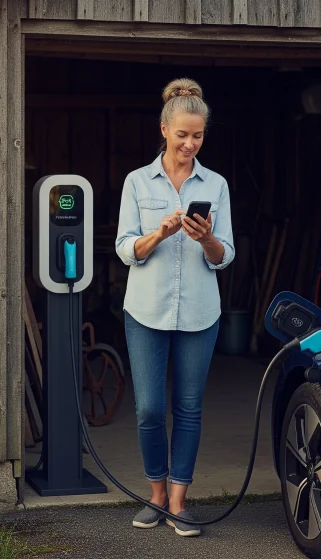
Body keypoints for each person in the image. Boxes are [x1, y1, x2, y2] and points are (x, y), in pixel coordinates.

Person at [114, 78, 235, 537]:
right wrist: (160, 234)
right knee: (148, 408)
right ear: (164, 129)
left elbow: (227, 256)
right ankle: (156, 495)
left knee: (188, 407)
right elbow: (127, 248)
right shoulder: (136, 182)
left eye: (198, 135)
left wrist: (207, 239)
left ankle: (180, 503)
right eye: (182, 134)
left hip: (201, 312)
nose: (190, 143)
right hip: (145, 310)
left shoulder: (217, 185)